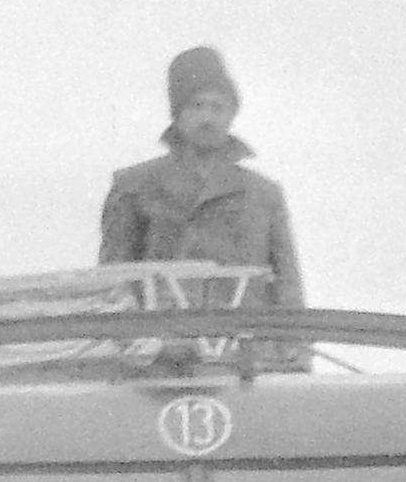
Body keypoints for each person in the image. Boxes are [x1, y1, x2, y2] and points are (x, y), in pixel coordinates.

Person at [99, 47, 306, 307]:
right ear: (177, 114)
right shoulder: (133, 187)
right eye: (196, 106)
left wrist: (292, 345)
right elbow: (112, 282)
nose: (207, 118)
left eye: (217, 107)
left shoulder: (263, 195)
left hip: (241, 341)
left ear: (231, 115)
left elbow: (288, 287)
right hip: (161, 342)